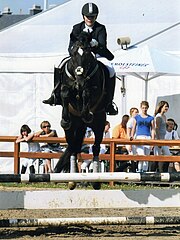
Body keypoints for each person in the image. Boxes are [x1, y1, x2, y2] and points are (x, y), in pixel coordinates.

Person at [43, 2, 118, 115]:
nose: (90, 19)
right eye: (88, 17)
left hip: (95, 55)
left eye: (92, 17)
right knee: (58, 64)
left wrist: (95, 44)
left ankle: (109, 102)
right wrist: (76, 50)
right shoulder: (77, 28)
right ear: (83, 16)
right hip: (78, 56)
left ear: (96, 17)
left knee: (111, 70)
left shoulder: (100, 28)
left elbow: (103, 46)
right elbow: (70, 46)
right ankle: (55, 95)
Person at [131, 101, 155, 173]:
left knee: (146, 156)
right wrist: (132, 135)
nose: (144, 109)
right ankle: (139, 170)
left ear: (147, 108)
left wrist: (153, 139)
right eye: (143, 108)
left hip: (147, 136)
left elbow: (153, 129)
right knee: (141, 154)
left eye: (146, 108)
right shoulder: (137, 117)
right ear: (141, 108)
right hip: (139, 136)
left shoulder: (151, 118)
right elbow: (134, 127)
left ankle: (145, 171)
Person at [153, 101, 171, 172]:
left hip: (164, 139)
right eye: (165, 106)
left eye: (167, 106)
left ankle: (164, 171)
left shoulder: (164, 116)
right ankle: (154, 172)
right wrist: (158, 141)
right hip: (159, 139)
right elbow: (156, 129)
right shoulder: (158, 117)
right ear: (161, 107)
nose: (166, 108)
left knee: (168, 155)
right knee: (157, 157)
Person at [126, 107, 139, 172]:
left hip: (136, 140)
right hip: (131, 141)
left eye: (137, 112)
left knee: (136, 157)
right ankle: (132, 171)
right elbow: (128, 133)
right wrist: (130, 144)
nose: (137, 113)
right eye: (135, 112)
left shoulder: (136, 121)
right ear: (132, 113)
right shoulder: (131, 121)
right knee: (132, 157)